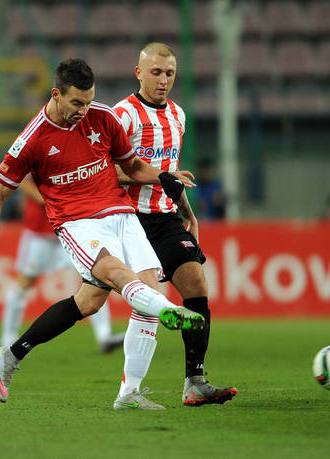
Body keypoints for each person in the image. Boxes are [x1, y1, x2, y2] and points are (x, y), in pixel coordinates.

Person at [0, 58, 206, 407]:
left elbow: (132, 165)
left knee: (94, 301)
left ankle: (124, 392)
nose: (83, 110)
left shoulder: (103, 117)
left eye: (89, 100)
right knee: (118, 275)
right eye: (77, 102)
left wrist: (162, 176)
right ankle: (170, 310)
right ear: (56, 95)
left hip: (121, 214)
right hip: (77, 223)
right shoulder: (32, 139)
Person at [113, 42, 237, 408]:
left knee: (196, 284)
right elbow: (108, 171)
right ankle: (129, 390)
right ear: (139, 73)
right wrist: (154, 177)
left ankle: (195, 381)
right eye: (156, 72)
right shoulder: (123, 115)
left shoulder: (178, 115)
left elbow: (170, 173)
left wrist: (188, 212)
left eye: (169, 73)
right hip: (130, 219)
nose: (163, 80)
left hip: (166, 218)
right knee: (121, 302)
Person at [0, 175, 125, 353]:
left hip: (70, 228)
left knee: (95, 278)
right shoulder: (36, 156)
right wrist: (46, 199)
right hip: (39, 232)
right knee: (25, 281)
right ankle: (8, 339)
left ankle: (104, 336)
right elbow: (20, 180)